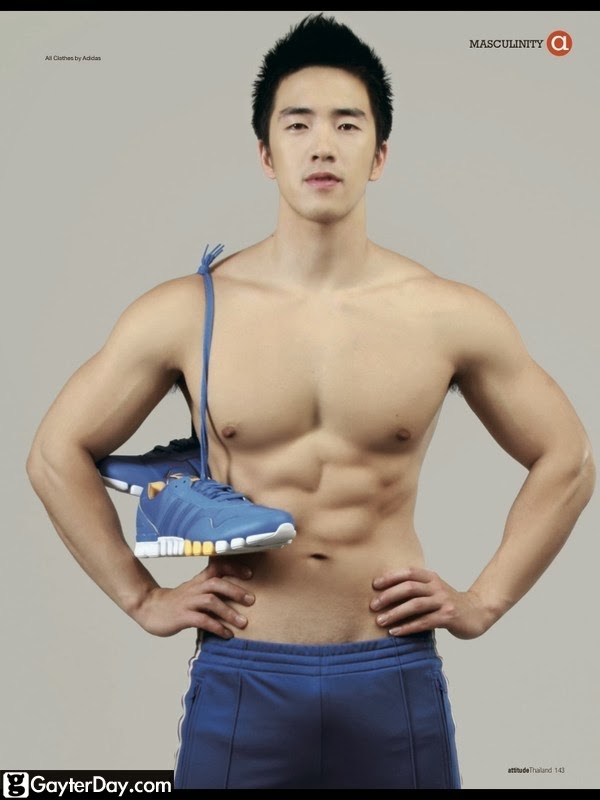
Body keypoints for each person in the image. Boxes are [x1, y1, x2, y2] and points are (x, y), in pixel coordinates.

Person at [26, 13, 595, 790]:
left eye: (347, 124)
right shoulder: (186, 312)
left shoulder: (447, 314)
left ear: (380, 154)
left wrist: (485, 601)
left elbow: (568, 457)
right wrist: (140, 598)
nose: (322, 145)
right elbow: (54, 454)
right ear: (266, 154)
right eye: (297, 124)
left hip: (391, 670)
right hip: (243, 670)